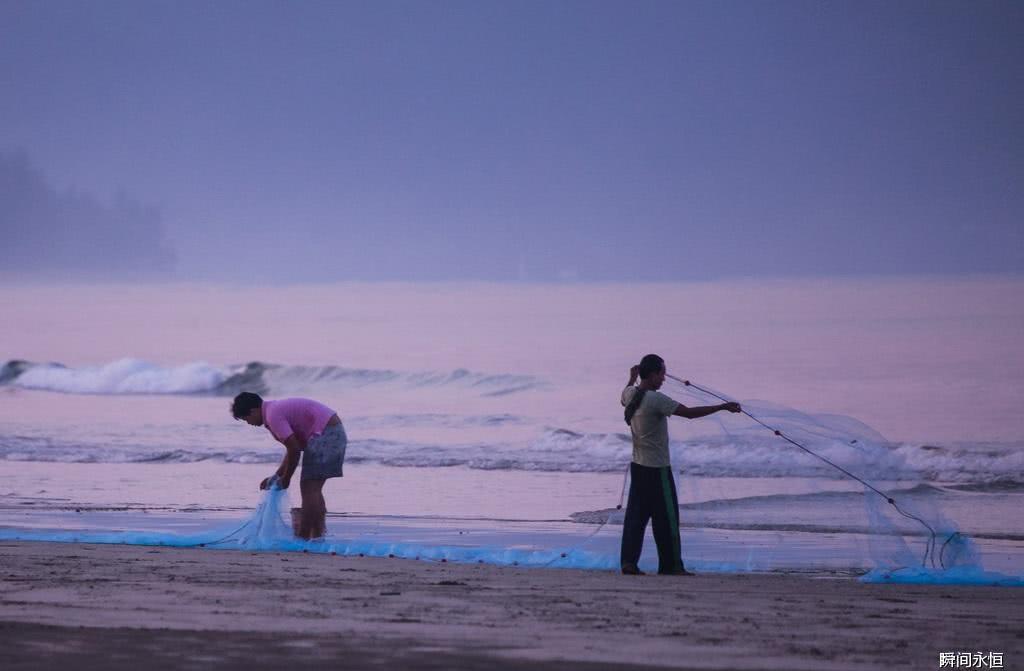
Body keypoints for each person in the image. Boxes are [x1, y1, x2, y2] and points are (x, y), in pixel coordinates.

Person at [620, 354, 740, 576]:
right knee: (667, 519)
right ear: (653, 374)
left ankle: (628, 562)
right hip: (658, 471)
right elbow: (689, 414)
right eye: (662, 373)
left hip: (638, 468)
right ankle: (671, 566)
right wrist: (722, 407)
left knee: (636, 518)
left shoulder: (630, 394)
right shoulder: (656, 400)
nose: (664, 378)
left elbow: (623, 397)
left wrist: (631, 378)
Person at [231, 392, 347, 539]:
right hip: (331, 433)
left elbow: (295, 449)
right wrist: (277, 476)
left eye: (246, 418)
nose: (248, 423)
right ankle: (317, 536)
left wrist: (286, 478)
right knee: (313, 488)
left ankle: (304, 537)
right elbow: (292, 448)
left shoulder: (273, 415)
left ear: (253, 411)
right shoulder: (272, 411)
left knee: (309, 488)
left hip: (327, 434)